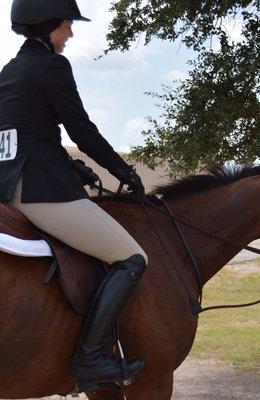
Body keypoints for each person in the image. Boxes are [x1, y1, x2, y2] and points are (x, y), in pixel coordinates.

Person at [0, 0, 148, 392]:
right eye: (67, 25)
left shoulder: (9, 71)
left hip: (9, 186)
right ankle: (92, 358)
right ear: (49, 26)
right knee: (131, 258)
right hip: (39, 191)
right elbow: (82, 131)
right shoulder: (53, 66)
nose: (71, 33)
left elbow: (27, 136)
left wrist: (73, 168)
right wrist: (123, 171)